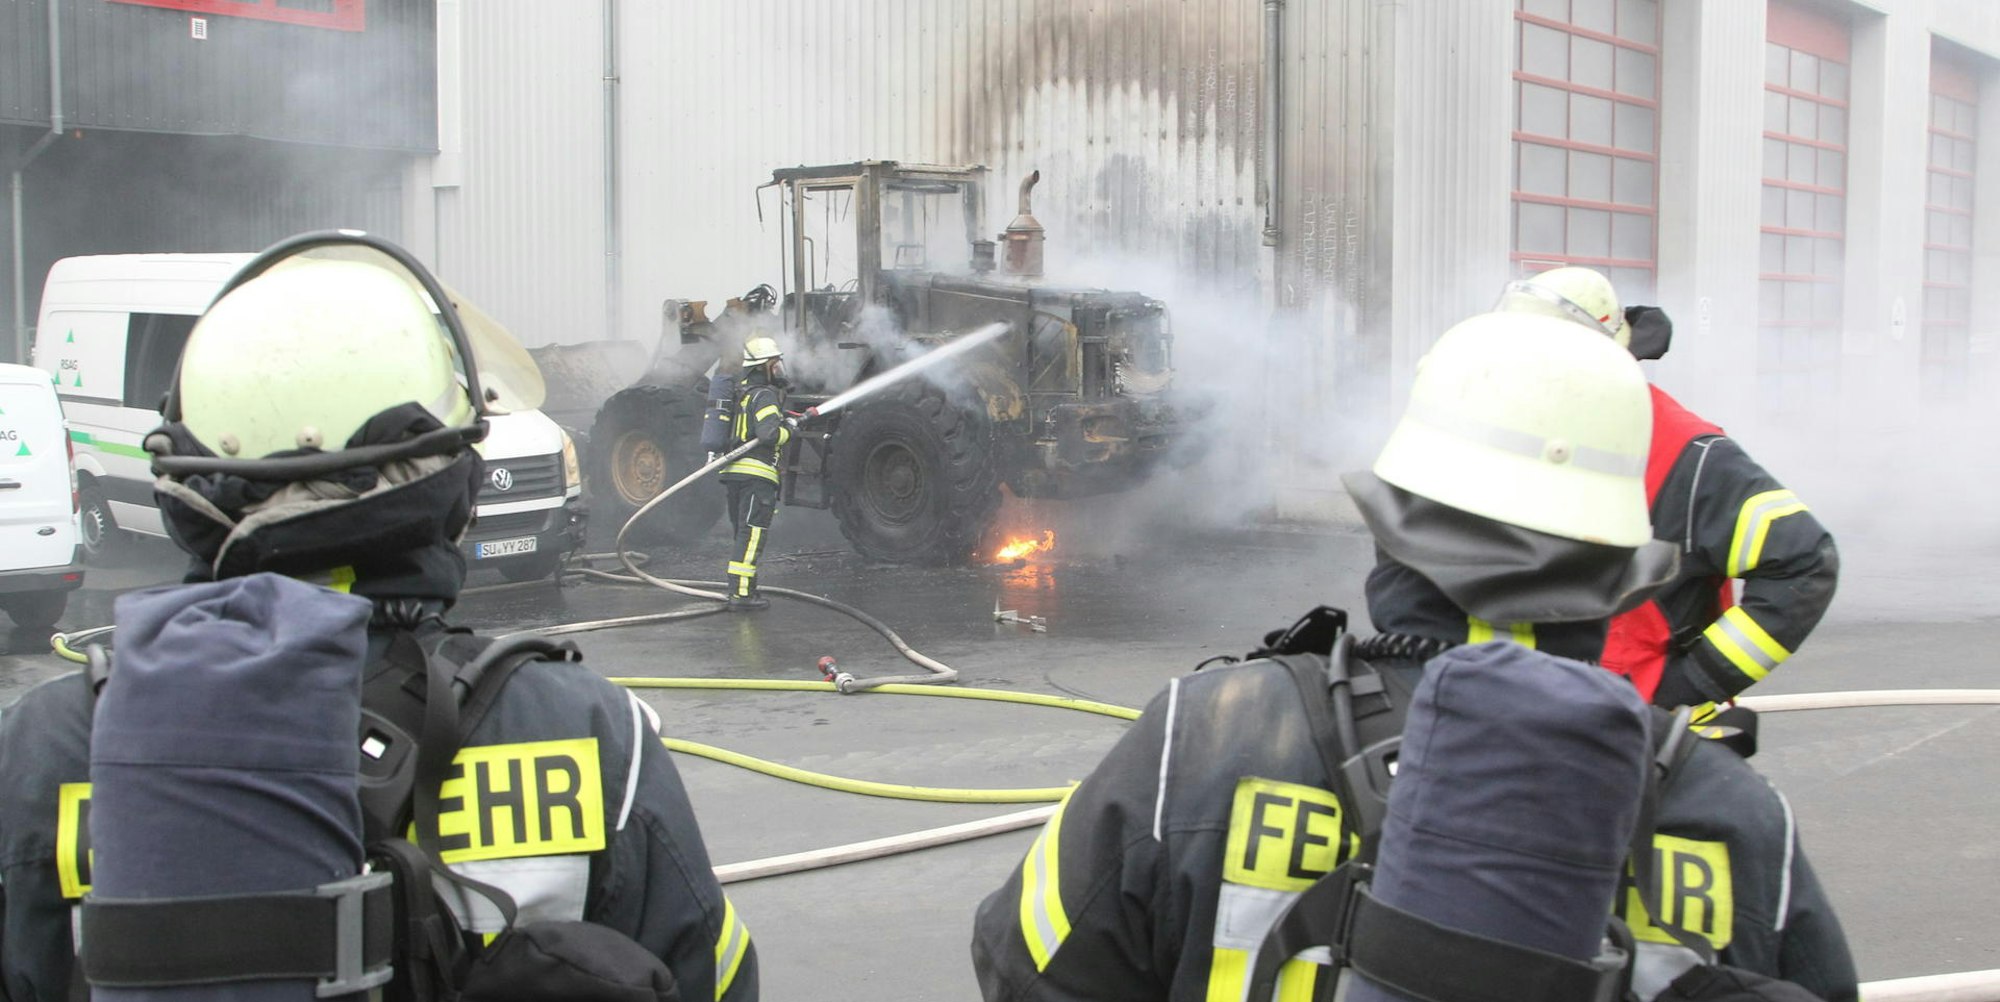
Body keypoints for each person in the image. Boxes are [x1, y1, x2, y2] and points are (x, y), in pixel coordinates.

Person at [968, 311, 1856, 1002]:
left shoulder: (1201, 743)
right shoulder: (1738, 823)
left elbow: (1025, 968)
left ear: (1391, 526)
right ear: (1623, 572)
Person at [0, 232, 758, 1002]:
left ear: (187, 482)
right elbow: (716, 980)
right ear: (456, 485)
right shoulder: (593, 736)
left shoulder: (45, 749)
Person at [1495, 266, 1840, 711]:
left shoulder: (1688, 456)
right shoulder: (1502, 438)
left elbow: (1805, 562)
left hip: (1640, 741)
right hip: (1513, 726)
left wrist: (1688, 683)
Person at [719, 335, 792, 612]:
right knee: (751, 536)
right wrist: (790, 430)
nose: (779, 370)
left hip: (735, 474)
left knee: (743, 535)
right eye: (774, 365)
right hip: (757, 476)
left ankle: (743, 588)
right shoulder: (764, 395)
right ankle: (741, 595)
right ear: (763, 367)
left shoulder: (741, 394)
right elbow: (769, 433)